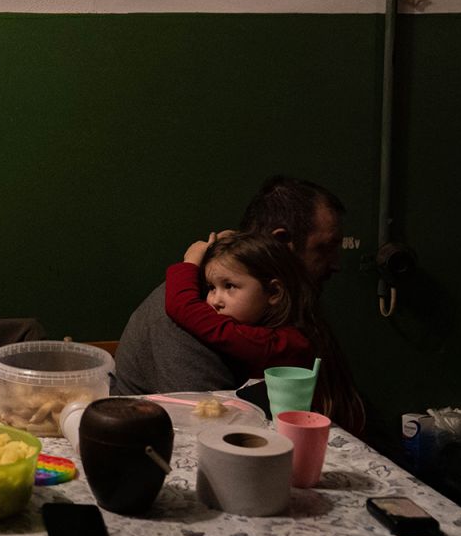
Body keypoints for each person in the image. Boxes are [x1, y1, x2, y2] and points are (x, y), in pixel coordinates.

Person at [113, 175, 364, 433]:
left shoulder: (286, 312)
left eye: (229, 285)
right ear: (281, 242)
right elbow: (213, 429)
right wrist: (188, 267)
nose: (336, 264)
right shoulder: (198, 310)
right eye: (324, 248)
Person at [165, 232, 316, 379]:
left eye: (229, 286)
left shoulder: (278, 344)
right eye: (211, 287)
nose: (215, 301)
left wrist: (191, 261)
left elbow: (183, 305)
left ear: (274, 292)